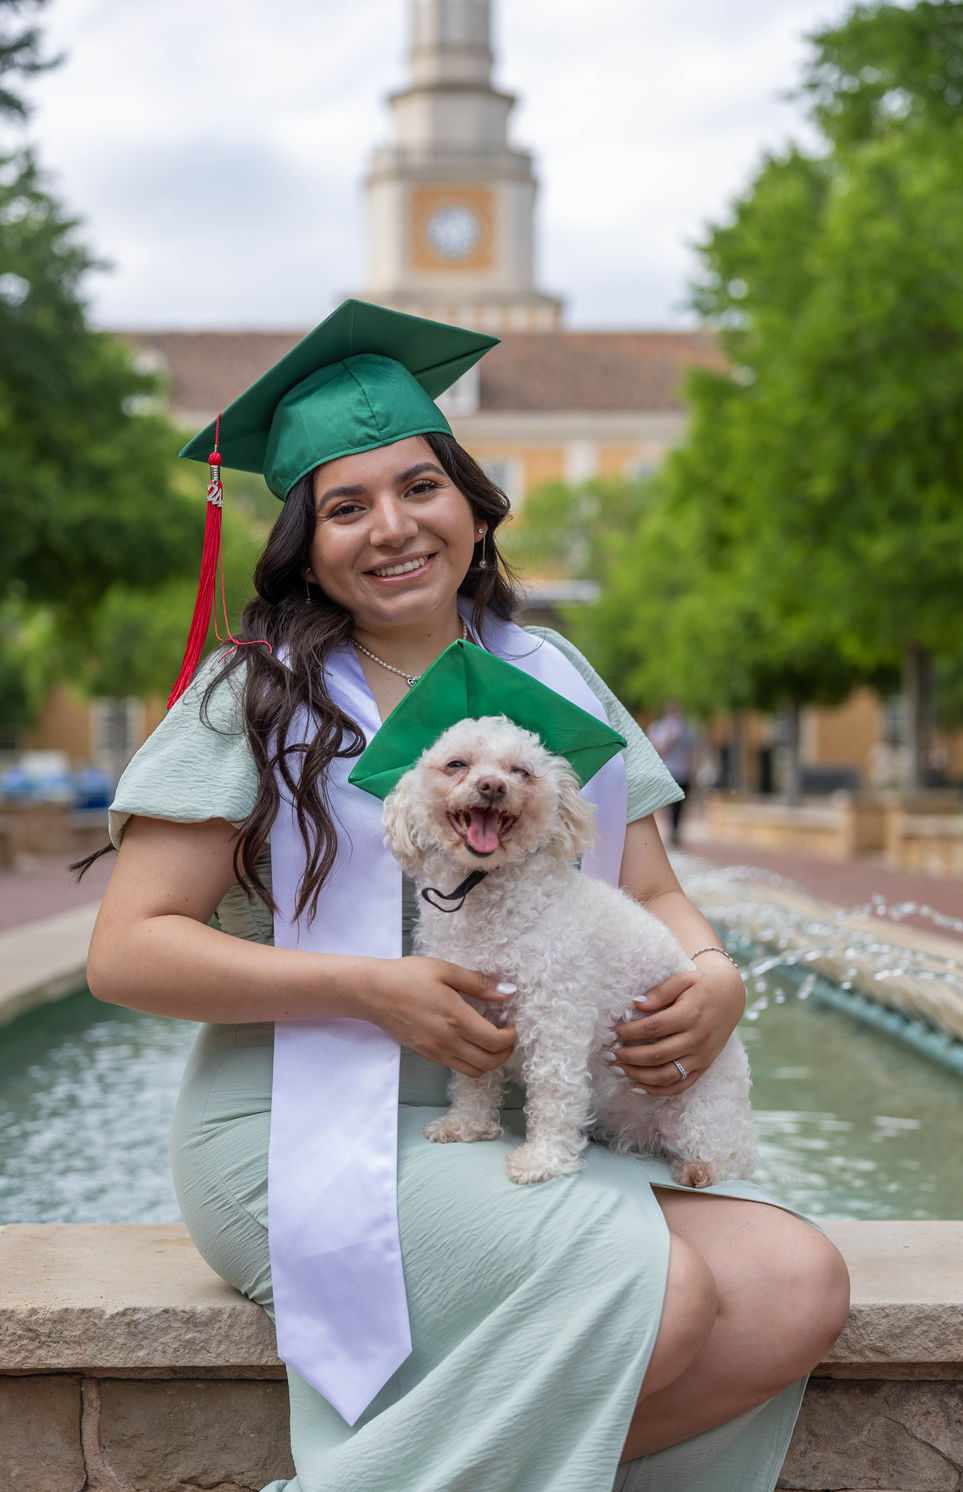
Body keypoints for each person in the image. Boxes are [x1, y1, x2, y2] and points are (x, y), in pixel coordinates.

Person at [84, 301, 849, 1492]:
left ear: (472, 501)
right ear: (304, 539)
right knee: (649, 1282)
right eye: (346, 506)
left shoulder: (550, 674)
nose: (391, 528)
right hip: (297, 1126)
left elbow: (648, 883)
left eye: (419, 487)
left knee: (797, 1282)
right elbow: (127, 952)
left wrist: (714, 978)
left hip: (535, 1116)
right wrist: (370, 989)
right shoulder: (262, 696)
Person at [649, 701, 697, 847]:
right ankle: (671, 830)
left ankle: (675, 831)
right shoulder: (658, 727)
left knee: (680, 805)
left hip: (683, 771)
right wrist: (670, 737)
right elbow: (657, 750)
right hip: (667, 771)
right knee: (668, 804)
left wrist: (693, 769)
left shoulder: (687, 728)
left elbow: (692, 751)